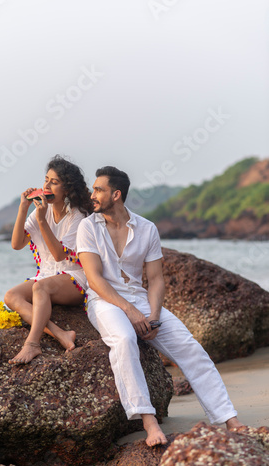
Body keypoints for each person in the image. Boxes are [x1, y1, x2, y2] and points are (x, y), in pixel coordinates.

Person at [76, 166, 243, 446]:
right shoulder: (88, 227)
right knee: (125, 339)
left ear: (116, 195)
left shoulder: (146, 229)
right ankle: (149, 422)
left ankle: (229, 418)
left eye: (98, 190)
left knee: (191, 348)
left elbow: (155, 280)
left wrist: (153, 316)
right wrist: (131, 312)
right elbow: (94, 279)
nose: (92, 195)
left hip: (140, 300)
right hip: (103, 300)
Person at [4, 155, 92, 364]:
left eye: (55, 182)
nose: (47, 186)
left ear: (68, 189)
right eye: (46, 180)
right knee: (11, 296)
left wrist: (42, 220)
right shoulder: (39, 213)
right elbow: (16, 244)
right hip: (47, 275)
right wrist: (23, 208)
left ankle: (32, 344)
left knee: (39, 288)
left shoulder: (78, 216)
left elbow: (60, 254)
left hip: (74, 277)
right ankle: (61, 333)